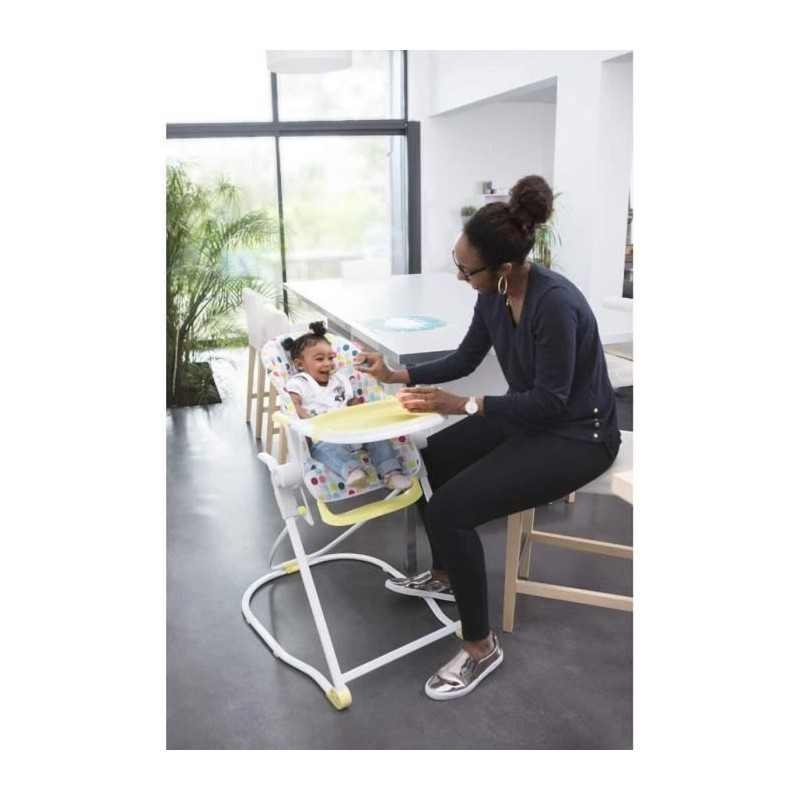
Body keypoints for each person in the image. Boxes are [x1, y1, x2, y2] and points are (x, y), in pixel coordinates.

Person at [354, 175, 621, 701]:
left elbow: (552, 401)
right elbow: (465, 357)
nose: (459, 276)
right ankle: (446, 573)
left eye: (465, 269)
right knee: (431, 460)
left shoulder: (556, 304)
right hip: (533, 417)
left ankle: (480, 647)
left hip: (579, 435)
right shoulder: (494, 294)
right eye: (457, 263)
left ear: (501, 268)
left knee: (451, 511)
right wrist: (395, 374)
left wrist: (461, 405)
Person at [282, 322, 413, 492]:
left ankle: (392, 472)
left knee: (378, 438)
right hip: (325, 435)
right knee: (326, 449)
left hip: (353, 429)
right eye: (320, 359)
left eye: (330, 358)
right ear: (300, 364)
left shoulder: (339, 379)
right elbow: (293, 405)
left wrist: (365, 415)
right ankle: (354, 471)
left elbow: (351, 402)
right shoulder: (300, 382)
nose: (328, 363)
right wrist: (310, 424)